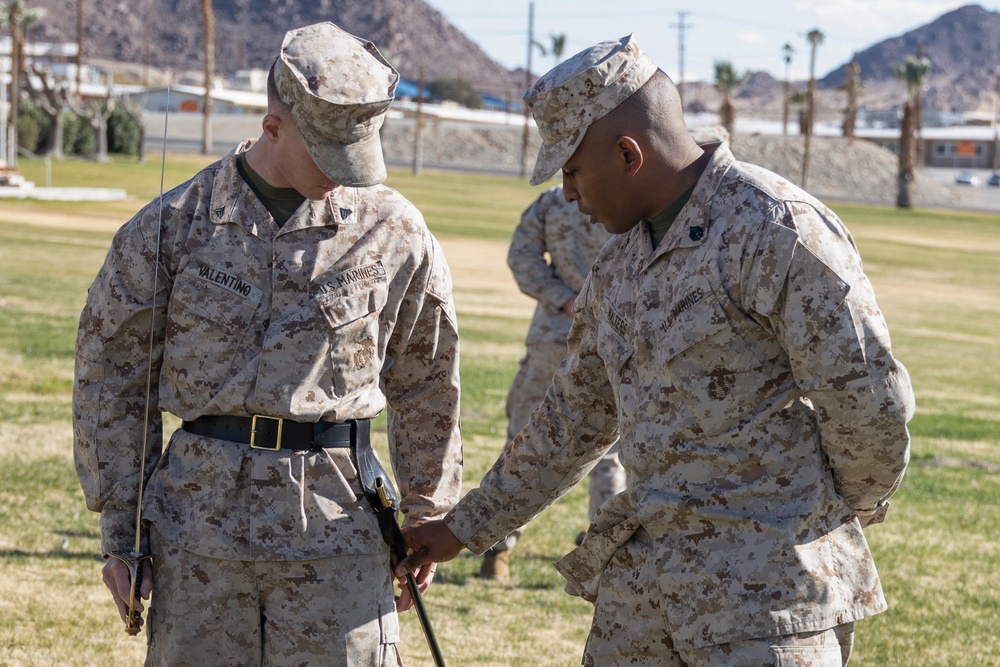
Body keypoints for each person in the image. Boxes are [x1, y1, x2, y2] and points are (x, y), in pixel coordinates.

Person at [397, 34, 914, 666]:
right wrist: (463, 528)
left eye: (571, 170)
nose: (565, 192)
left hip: (767, 604)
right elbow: (574, 418)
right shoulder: (618, 266)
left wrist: (810, 519)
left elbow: (869, 407)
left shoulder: (775, 231)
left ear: (627, 153)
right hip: (643, 598)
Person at [73, 22, 462, 666]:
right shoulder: (172, 227)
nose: (345, 175)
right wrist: (121, 536)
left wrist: (427, 516)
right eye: (329, 154)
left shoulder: (395, 232)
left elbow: (428, 381)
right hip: (198, 536)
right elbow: (112, 381)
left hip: (338, 533)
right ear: (273, 127)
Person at [480, 185, 626, 581]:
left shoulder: (552, 201)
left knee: (523, 442)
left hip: (553, 333)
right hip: (612, 332)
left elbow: (522, 257)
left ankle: (498, 551)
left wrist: (564, 298)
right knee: (608, 449)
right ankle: (605, 557)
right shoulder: (630, 192)